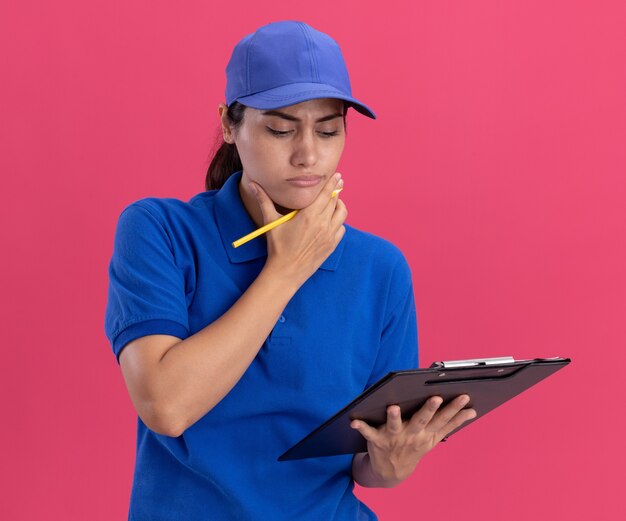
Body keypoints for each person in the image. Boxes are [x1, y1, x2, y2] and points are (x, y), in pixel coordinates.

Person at [104, 20, 476, 521]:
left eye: (328, 129)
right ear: (229, 126)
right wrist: (286, 269)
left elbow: (369, 460)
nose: (308, 154)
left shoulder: (380, 268)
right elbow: (166, 406)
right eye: (280, 129)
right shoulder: (159, 231)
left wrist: (392, 464)